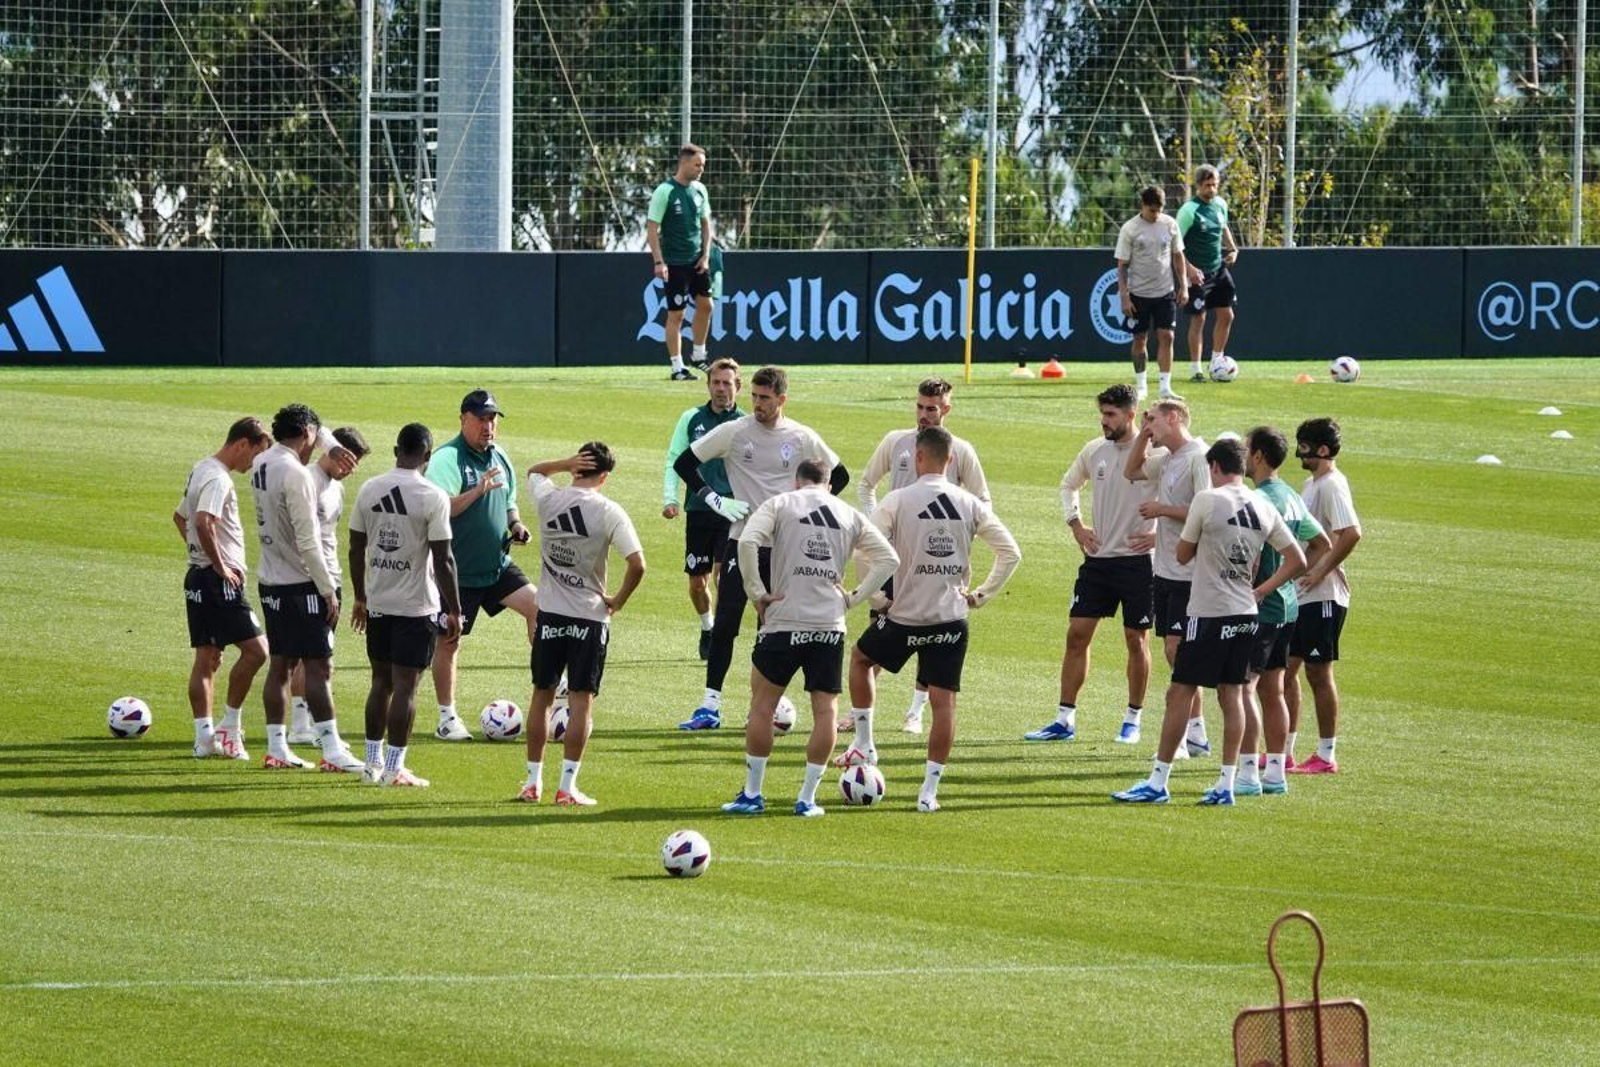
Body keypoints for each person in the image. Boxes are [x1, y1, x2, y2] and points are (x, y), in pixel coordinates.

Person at [1112, 439, 1305, 806]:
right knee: (1232, 695)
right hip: (1246, 613)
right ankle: (1226, 784)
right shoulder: (1262, 505)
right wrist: (1260, 591)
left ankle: (1158, 780)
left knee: (1179, 693)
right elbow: (1297, 560)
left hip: (1209, 612)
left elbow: (1182, 555)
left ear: (1214, 467)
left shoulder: (1207, 500)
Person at [844, 428, 1020, 813]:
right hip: (950, 620)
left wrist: (875, 597)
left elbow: (863, 551)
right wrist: (981, 596)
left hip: (905, 617)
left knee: (859, 660)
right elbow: (1011, 553)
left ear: (918, 458)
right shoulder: (970, 503)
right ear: (951, 460)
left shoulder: (897, 499)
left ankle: (865, 742)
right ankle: (928, 792)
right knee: (944, 705)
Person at [671, 365, 846, 731]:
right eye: (753, 396)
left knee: (773, 627)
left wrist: (809, 509)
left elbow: (839, 475)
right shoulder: (735, 432)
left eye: (765, 398)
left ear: (782, 399)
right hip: (743, 541)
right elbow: (685, 463)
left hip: (786, 548)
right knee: (726, 623)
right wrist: (715, 500)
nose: (757, 404)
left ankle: (761, 706)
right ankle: (710, 706)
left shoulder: (801, 437)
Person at [720, 460, 897, 817]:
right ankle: (807, 799)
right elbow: (888, 559)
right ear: (829, 484)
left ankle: (753, 794)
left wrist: (757, 592)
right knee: (825, 713)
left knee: (762, 706)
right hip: (829, 624)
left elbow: (747, 542)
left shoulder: (781, 503)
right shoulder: (847, 514)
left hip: (783, 619)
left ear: (796, 481)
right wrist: (852, 598)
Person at [855, 377, 990, 735]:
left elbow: (982, 501)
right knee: (880, 627)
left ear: (946, 409)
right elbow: (866, 484)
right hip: (892, 557)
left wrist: (961, 537)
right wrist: (876, 529)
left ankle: (915, 710)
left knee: (932, 629)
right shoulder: (895, 442)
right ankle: (862, 713)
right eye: (920, 406)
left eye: (932, 408)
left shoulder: (959, 450)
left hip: (937, 558)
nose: (924, 414)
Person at [515, 443, 646, 807]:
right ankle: (566, 788)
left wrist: (563, 463)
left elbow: (534, 472)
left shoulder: (548, 499)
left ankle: (531, 783)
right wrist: (617, 600)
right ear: (604, 476)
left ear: (576, 468)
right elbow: (638, 564)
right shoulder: (609, 512)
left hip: (550, 614)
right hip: (589, 617)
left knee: (542, 695)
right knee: (580, 702)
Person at [1024, 384, 1156, 744]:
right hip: (1098, 562)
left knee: (1136, 639)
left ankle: (1133, 719)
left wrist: (1161, 537)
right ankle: (1064, 719)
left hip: (1139, 563)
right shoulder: (1094, 450)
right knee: (1077, 634)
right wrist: (1076, 525)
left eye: (1111, 415)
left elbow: (1188, 498)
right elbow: (1068, 486)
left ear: (1131, 415)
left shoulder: (1155, 455)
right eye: (1102, 414)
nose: (1104, 421)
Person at [250, 404, 365, 772]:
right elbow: (308, 540)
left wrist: (328, 442)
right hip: (303, 583)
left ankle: (276, 747)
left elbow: (319, 429)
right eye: (315, 436)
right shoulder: (298, 475)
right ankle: (332, 750)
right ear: (305, 434)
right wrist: (328, 589)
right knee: (318, 666)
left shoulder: (262, 463)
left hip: (270, 580)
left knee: (280, 664)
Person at [347, 423, 462, 788]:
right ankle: (394, 769)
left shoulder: (369, 488)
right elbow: (443, 560)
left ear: (396, 449)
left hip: (378, 601)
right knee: (406, 688)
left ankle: (370, 765)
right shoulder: (432, 495)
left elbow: (355, 547)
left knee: (380, 683)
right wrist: (455, 609)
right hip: (416, 607)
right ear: (427, 456)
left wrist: (361, 597)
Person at [425, 389, 536, 741]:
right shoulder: (448, 458)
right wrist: (477, 491)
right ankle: (447, 718)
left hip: (496, 565)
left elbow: (509, 501)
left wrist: (516, 524)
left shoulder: (499, 456)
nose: (488, 426)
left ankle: (552, 686)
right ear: (463, 419)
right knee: (449, 640)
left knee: (540, 608)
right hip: (458, 572)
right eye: (481, 419)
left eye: (492, 419)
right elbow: (437, 510)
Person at [1237, 426, 1329, 796]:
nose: (1243, 455)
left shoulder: (1260, 499)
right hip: (1287, 609)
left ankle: (1246, 774)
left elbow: (1254, 554)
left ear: (1258, 456)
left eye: (1246, 449)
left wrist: (1261, 588)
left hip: (1261, 609)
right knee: (1273, 690)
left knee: (1243, 689)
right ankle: (1275, 772)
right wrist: (1291, 580)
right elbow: (1320, 544)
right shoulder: (1291, 495)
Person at [173, 417, 273, 760]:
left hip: (196, 578)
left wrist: (198, 555)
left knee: (207, 658)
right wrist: (220, 565)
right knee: (258, 651)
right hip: (216, 581)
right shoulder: (219, 479)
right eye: (255, 455)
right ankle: (230, 728)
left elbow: (180, 518)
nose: (253, 464)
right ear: (242, 443)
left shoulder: (201, 468)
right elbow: (201, 522)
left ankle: (204, 738)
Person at [1124, 398, 1212, 757]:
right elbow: (1131, 471)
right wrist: (1143, 435)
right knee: (1174, 652)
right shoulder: (1168, 459)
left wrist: (1161, 510)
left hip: (1190, 574)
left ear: (1174, 418)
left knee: (1180, 651)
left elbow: (1208, 508)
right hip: (1165, 570)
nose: (1148, 424)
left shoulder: (1199, 457)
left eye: (1154, 419)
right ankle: (1197, 733)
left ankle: (1189, 735)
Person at [1285, 417, 1363, 775]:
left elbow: (1350, 533)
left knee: (1318, 672)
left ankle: (1326, 755)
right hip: (1301, 594)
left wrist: (1320, 571)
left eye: (1303, 445)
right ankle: (1282, 751)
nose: (1298, 451)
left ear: (1320, 449)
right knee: (1285, 672)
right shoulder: (1311, 484)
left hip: (1325, 595)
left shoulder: (1332, 485)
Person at [289, 427, 369, 745]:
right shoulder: (308, 480)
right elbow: (302, 536)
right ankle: (302, 726)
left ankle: (303, 724)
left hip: (330, 579)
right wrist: (320, 581)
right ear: (334, 451)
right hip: (311, 579)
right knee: (318, 660)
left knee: (314, 656)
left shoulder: (336, 488)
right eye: (349, 462)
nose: (351, 470)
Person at [662, 358, 743, 662]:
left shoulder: (746, 423)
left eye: (727, 383)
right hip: (699, 509)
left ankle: (721, 636)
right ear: (708, 384)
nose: (721, 389)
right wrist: (669, 499)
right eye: (716, 382)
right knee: (698, 583)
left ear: (739, 386)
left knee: (724, 578)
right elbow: (674, 459)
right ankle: (707, 627)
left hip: (732, 512)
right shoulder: (692, 418)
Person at [1114, 185, 1190, 401]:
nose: (1155, 214)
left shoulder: (1170, 225)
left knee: (1168, 336)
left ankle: (1165, 386)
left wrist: (1183, 284)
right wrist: (1124, 295)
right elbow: (1121, 265)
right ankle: (1141, 385)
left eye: (1159, 210)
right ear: (1143, 206)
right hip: (1138, 292)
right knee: (1140, 338)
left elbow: (1178, 256)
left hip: (1165, 291)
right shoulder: (1130, 229)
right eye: (1151, 210)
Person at [646, 143, 715, 381]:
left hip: (697, 260)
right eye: (697, 164)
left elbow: (706, 224)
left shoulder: (700, 190)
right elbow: (652, 229)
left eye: (703, 165)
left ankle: (699, 355)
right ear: (683, 163)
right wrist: (659, 262)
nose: (701, 169)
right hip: (674, 263)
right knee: (677, 314)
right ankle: (677, 367)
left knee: (707, 306)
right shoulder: (664, 191)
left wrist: (705, 255)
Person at [1178, 164, 1240, 383]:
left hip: (1218, 268)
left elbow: (1223, 227)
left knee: (1227, 315)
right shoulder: (1189, 210)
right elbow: (1175, 245)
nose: (1212, 189)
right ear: (1198, 186)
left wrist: (1232, 249)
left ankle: (1216, 361)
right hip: (1197, 273)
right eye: (1207, 185)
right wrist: (1189, 269)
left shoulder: (1220, 205)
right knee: (1199, 319)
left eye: (1215, 185)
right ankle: (1196, 369)